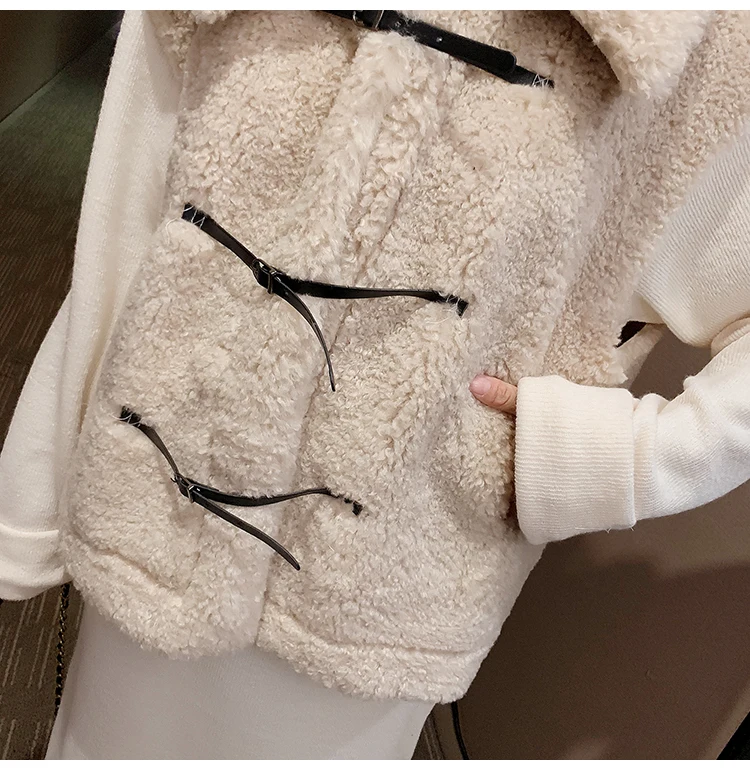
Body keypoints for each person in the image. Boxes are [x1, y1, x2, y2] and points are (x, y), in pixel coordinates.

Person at [1, 10, 749, 760]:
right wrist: (40, 482)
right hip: (157, 507)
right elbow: (130, 201)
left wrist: (602, 459)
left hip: (386, 588)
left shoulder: (698, 39)